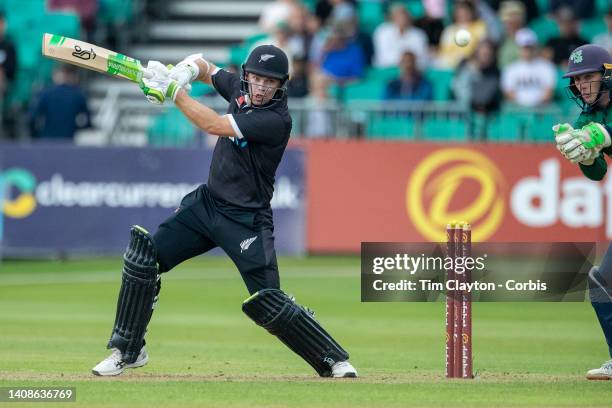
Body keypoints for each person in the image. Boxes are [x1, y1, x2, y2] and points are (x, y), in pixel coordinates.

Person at [91, 45, 358, 379]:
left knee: (269, 302)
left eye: (270, 82)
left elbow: (214, 125)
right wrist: (183, 72)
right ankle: (128, 350)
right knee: (143, 259)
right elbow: (206, 67)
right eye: (256, 78)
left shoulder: (276, 119)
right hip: (206, 206)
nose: (261, 87)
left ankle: (333, 360)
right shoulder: (240, 89)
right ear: (247, 75)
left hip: (247, 220)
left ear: (281, 85)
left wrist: (174, 92)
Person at [553, 44, 612, 380]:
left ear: (607, 74)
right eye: (577, 80)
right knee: (601, 281)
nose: (582, 86)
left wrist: (603, 135)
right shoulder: (587, 117)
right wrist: (586, 156)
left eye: (588, 77)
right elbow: (598, 174)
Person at [28, 64, 91, 140]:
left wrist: (35, 136)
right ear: (72, 76)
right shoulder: (78, 95)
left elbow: (32, 118)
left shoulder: (45, 93)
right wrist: (76, 128)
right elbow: (87, 121)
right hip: (68, 140)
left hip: (46, 140)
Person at [501, 28, 557, 107]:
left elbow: (549, 92)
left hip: (541, 110)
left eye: (529, 47)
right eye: (524, 47)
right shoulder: (510, 69)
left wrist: (533, 105)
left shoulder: (547, 67)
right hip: (517, 110)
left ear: (535, 47)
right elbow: (508, 93)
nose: (527, 50)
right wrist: (525, 106)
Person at [373, 3, 428, 69]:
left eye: (405, 15)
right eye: (399, 15)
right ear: (392, 17)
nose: (402, 18)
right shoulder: (382, 32)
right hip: (388, 70)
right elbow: (384, 56)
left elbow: (422, 57)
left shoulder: (419, 34)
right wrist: (405, 60)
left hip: (412, 70)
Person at [437, 0, 488, 68]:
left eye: (466, 11)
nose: (463, 14)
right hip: (448, 65)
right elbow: (443, 52)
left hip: (471, 64)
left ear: (472, 12)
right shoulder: (449, 30)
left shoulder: (480, 27)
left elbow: (483, 48)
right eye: (460, 11)